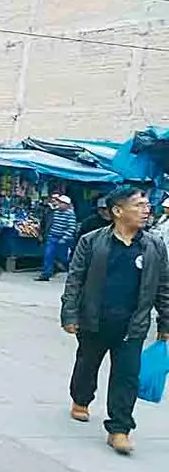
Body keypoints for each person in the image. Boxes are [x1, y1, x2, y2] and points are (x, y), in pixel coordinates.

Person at [60, 187, 169, 455]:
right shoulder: (92, 241)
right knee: (87, 363)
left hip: (133, 325)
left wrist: (166, 324)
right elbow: (75, 279)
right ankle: (81, 399)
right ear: (118, 211)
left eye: (147, 205)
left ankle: (119, 428)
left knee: (127, 376)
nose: (146, 210)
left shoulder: (154, 246)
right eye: (139, 205)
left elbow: (164, 286)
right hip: (94, 319)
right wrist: (70, 313)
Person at [36, 195, 78, 282]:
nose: (59, 204)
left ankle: (63, 269)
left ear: (67, 204)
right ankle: (46, 274)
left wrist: (64, 238)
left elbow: (71, 227)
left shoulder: (70, 214)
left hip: (64, 239)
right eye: (59, 202)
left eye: (62, 203)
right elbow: (48, 223)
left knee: (63, 257)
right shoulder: (54, 212)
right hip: (52, 237)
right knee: (48, 255)